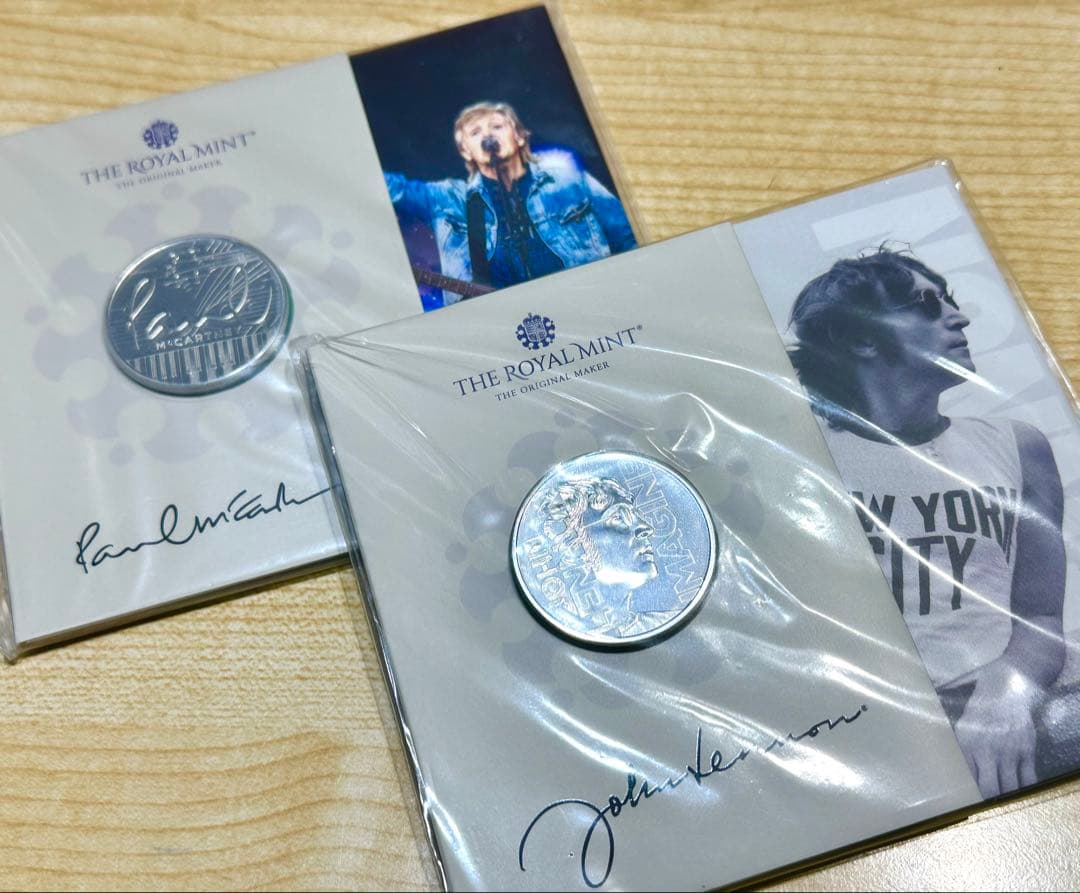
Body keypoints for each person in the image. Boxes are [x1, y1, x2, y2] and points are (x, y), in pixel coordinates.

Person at [787, 247, 1066, 799]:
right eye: (927, 304)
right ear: (861, 338)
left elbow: (1040, 617)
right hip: (877, 725)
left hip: (1013, 705)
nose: (959, 317)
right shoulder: (802, 458)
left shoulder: (1019, 445)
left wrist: (1006, 690)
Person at [383, 101, 636, 304]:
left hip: (585, 300)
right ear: (466, 151)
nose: (487, 135)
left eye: (496, 126)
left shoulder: (569, 181)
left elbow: (626, 237)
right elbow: (389, 187)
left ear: (519, 136)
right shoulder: (450, 198)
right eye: (475, 132)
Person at [541, 476, 675, 638]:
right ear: (575, 541)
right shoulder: (563, 624)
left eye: (637, 516)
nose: (647, 528)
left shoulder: (661, 622)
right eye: (619, 517)